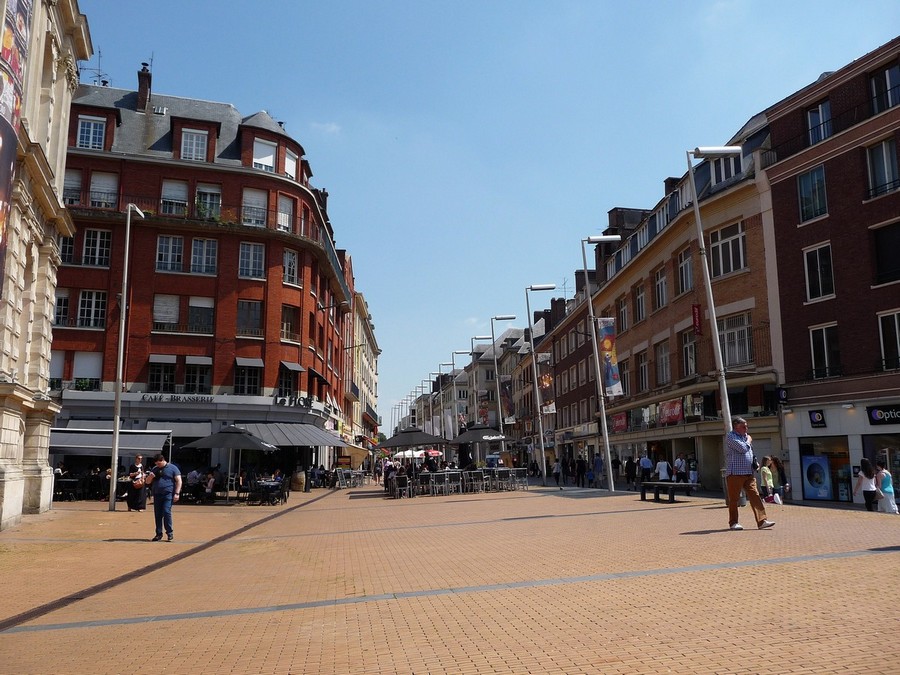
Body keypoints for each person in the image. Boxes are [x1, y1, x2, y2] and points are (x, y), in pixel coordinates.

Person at [725, 417, 774, 531]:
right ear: (736, 426)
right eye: (744, 426)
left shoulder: (746, 437)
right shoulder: (731, 436)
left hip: (748, 473)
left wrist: (754, 461)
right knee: (734, 499)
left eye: (747, 426)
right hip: (735, 473)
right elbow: (742, 448)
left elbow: (750, 452)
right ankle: (734, 522)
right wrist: (749, 440)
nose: (746, 428)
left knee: (755, 496)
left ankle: (762, 521)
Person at [147, 453, 182, 541]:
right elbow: (147, 482)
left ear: (163, 460)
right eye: (156, 464)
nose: (158, 465)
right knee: (158, 514)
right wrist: (150, 477)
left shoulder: (173, 468)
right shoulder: (155, 469)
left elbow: (179, 481)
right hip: (157, 494)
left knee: (166, 512)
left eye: (159, 463)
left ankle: (169, 532)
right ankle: (158, 533)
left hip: (168, 494)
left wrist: (177, 493)